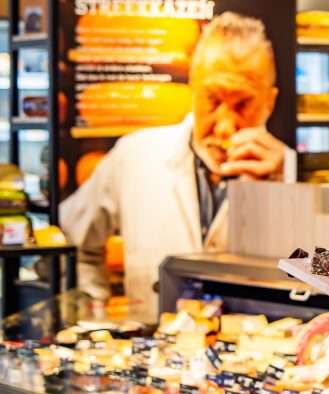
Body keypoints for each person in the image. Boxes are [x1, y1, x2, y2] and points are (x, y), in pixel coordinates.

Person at [60, 12, 295, 322]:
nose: (225, 127)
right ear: (192, 88)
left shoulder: (294, 173)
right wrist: (96, 317)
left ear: (269, 102)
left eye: (243, 104)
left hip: (258, 358)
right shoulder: (134, 155)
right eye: (212, 100)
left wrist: (288, 185)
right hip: (155, 354)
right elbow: (74, 239)